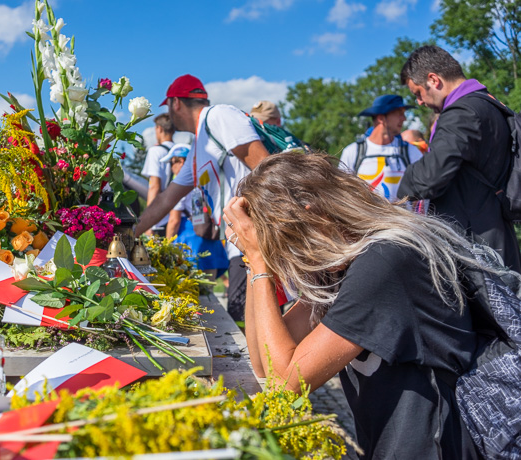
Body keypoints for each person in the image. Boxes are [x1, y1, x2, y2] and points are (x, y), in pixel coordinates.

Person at [223, 151, 499, 458]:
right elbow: (264, 362)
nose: (286, 255)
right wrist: (252, 261)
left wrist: (260, 260)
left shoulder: (383, 262)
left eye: (283, 239)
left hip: (435, 447)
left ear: (310, 215)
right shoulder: (342, 264)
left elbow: (284, 384)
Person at [134, 74, 269, 321]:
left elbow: (266, 167)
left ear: (175, 103)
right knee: (244, 318)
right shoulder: (199, 147)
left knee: (251, 319)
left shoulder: (218, 116)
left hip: (260, 237)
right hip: (240, 243)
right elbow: (166, 200)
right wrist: (127, 234)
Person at [397, 45, 521, 273]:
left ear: (433, 79)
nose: (419, 102)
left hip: (478, 246)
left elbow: (430, 176)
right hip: (493, 234)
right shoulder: (487, 103)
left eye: (418, 93)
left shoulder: (462, 113)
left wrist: (402, 191)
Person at [163, 144, 228, 280]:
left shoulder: (179, 185)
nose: (171, 167)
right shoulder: (205, 179)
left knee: (189, 293)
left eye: (171, 162)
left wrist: (166, 248)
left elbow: (174, 220)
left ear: (181, 161)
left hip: (188, 242)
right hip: (210, 237)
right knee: (208, 292)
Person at [339, 95, 423, 202]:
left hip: (404, 219)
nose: (404, 118)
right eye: (399, 114)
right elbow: (342, 195)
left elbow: (422, 196)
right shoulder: (353, 152)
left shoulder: (411, 152)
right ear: (381, 118)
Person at [141, 114, 175, 236]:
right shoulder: (181, 150)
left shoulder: (155, 151)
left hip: (161, 219)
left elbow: (154, 186)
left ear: (159, 129)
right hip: (179, 215)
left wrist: (149, 222)